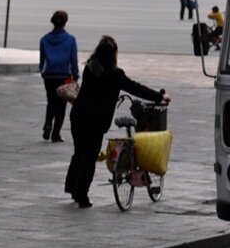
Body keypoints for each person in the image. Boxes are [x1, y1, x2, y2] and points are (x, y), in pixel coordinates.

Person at [64, 36, 171, 208]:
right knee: (89, 157)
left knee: (79, 152)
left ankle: (71, 187)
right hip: (95, 122)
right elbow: (135, 88)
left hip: (78, 116)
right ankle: (81, 196)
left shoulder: (90, 68)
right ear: (113, 54)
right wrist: (160, 97)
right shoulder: (115, 74)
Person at [39, 11, 79, 143]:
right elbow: (73, 60)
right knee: (61, 105)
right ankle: (55, 134)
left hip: (49, 75)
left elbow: (42, 60)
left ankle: (47, 124)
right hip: (63, 75)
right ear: (65, 22)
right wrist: (76, 75)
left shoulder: (44, 39)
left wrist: (42, 71)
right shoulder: (71, 40)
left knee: (51, 102)